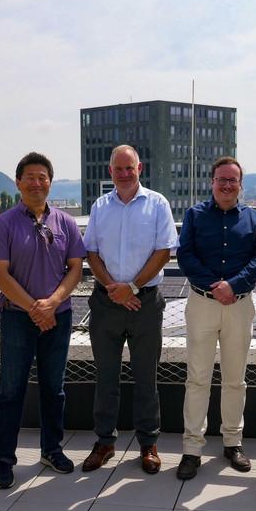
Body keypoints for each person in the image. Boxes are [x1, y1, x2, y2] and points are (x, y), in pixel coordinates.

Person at [0, 152, 87, 489]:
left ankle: (52, 449)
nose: (36, 182)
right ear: (18, 183)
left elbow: (76, 267)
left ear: (50, 182)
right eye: (29, 176)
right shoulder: (4, 223)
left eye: (42, 176)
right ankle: (4, 459)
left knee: (54, 389)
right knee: (10, 391)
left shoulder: (65, 222)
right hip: (18, 318)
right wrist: (35, 308)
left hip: (58, 317)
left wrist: (53, 303)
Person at [82, 145, 178, 474]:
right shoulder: (100, 206)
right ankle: (105, 441)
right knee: (105, 377)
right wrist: (114, 289)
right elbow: (91, 252)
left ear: (140, 168)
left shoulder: (158, 203)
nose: (124, 174)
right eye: (118, 169)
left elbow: (164, 251)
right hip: (106, 301)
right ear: (110, 172)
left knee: (146, 378)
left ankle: (148, 444)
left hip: (145, 302)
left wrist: (132, 288)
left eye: (129, 168)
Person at [176, 156, 256, 480]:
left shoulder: (254, 218)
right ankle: (192, 449)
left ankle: (233, 442)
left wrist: (234, 285)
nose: (227, 185)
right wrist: (215, 287)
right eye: (221, 179)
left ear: (240, 185)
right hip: (202, 303)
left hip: (240, 305)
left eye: (233, 180)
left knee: (235, 378)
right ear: (212, 182)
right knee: (197, 378)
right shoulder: (195, 215)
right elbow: (184, 254)